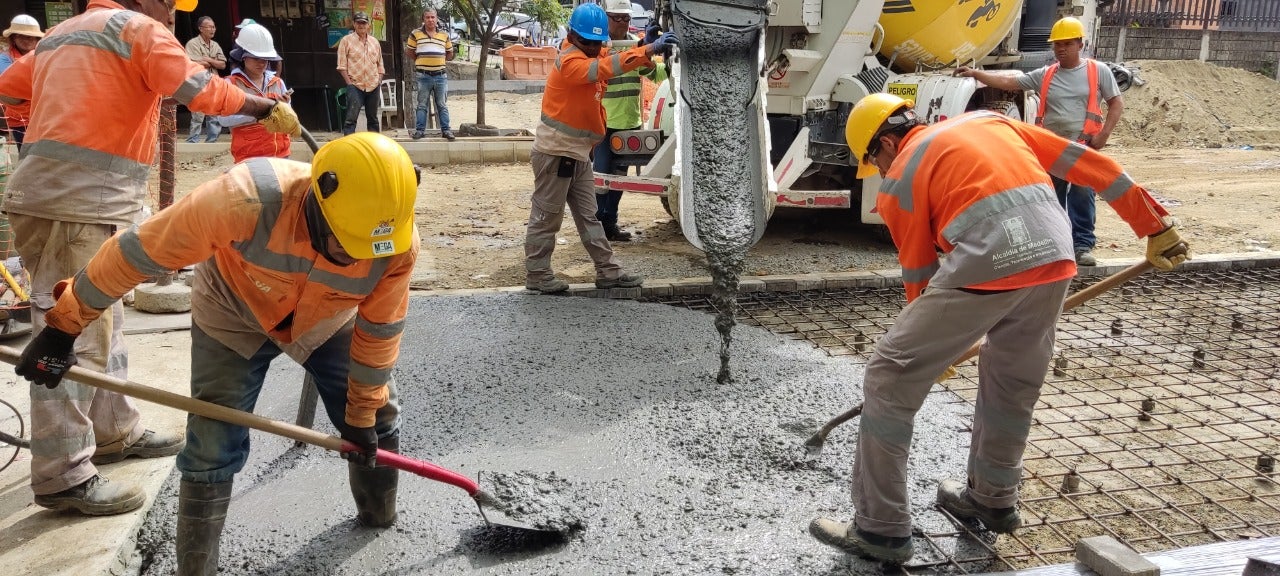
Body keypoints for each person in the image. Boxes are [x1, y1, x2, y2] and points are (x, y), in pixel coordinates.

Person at [807, 93, 1189, 564]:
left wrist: (931, 352)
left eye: (875, 163)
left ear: (886, 142)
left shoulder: (899, 181)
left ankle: (880, 529)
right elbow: (1088, 163)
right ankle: (993, 499)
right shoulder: (990, 122)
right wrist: (1153, 225)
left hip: (989, 260)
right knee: (1012, 381)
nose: (881, 174)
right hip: (1055, 255)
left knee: (889, 375)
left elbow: (920, 273)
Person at [15, 133, 418, 575]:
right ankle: (196, 568)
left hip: (324, 318)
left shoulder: (396, 244)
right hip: (232, 308)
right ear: (319, 202)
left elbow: (378, 333)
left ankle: (378, 517)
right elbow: (135, 254)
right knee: (212, 442)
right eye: (346, 244)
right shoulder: (242, 200)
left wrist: (360, 416)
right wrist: (64, 326)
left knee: (378, 416)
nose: (356, 259)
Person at [0, 0, 299, 518]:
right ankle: (63, 474)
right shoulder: (137, 30)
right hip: (80, 201)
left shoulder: (62, 34)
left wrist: (79, 91)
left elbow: (10, 87)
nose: (172, 14)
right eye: (170, 4)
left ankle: (114, 430)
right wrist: (264, 107)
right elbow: (204, 93)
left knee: (102, 315)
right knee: (72, 331)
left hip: (50, 194)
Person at [523, 3, 677, 294]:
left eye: (598, 42)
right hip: (556, 153)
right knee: (547, 216)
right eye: (588, 42)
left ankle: (608, 271)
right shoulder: (571, 61)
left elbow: (612, 57)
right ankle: (538, 274)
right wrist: (648, 49)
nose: (594, 48)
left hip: (577, 153)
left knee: (589, 216)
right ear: (572, 35)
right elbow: (604, 68)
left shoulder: (590, 52)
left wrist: (642, 46)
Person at [955, 17, 1123, 266]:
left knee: (1081, 194)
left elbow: (1116, 102)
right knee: (1050, 197)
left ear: (1080, 44)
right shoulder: (1046, 74)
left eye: (1067, 44)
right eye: (1057, 44)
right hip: (1052, 147)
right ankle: (1058, 243)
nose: (1061, 49)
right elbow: (1010, 82)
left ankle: (1082, 245)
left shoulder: (1098, 71)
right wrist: (977, 73)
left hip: (1082, 144)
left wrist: (1105, 134)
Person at [593, 0, 667, 242]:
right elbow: (611, 63)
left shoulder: (635, 46)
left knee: (619, 178)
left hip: (629, 122)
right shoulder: (600, 47)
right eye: (617, 18)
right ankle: (596, 227)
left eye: (626, 18)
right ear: (606, 18)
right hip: (605, 123)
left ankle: (610, 224)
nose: (623, 23)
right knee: (602, 178)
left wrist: (671, 61)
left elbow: (653, 73)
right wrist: (643, 47)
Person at [218, 24, 293, 163]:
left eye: (265, 59)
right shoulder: (231, 84)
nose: (262, 63)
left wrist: (284, 106)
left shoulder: (278, 83)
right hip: (250, 157)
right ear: (243, 57)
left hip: (281, 154)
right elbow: (223, 120)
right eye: (256, 58)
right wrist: (258, 112)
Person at [405, 7, 455, 141]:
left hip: (440, 76)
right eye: (427, 17)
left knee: (442, 105)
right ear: (423, 19)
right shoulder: (415, 34)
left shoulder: (444, 34)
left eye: (433, 17)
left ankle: (446, 130)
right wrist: (421, 60)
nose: (430, 20)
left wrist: (439, 61)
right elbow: (409, 51)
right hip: (423, 76)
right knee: (422, 105)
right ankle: (420, 131)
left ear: (436, 19)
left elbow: (450, 53)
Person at [0, 15, 44, 151]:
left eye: (31, 37)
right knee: (28, 156)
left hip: (45, 116)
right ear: (13, 38)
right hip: (21, 120)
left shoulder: (44, 55)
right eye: (22, 37)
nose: (28, 40)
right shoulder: (5, 58)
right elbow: (9, 90)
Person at [337, 11, 385, 135]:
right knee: (351, 119)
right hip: (355, 85)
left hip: (373, 85)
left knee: (373, 119)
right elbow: (341, 66)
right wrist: (349, 83)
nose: (361, 25)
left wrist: (379, 80)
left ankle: (373, 144)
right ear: (354, 24)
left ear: (368, 25)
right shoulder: (346, 41)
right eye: (358, 23)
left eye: (364, 23)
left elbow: (380, 64)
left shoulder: (375, 42)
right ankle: (349, 144)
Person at [185, 16, 228, 143]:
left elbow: (223, 65)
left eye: (213, 27)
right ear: (201, 28)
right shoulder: (192, 44)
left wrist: (208, 60)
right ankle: (193, 141)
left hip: (214, 82)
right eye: (209, 27)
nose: (212, 29)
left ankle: (212, 140)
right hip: (198, 83)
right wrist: (213, 62)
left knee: (213, 113)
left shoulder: (215, 45)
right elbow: (191, 63)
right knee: (197, 113)